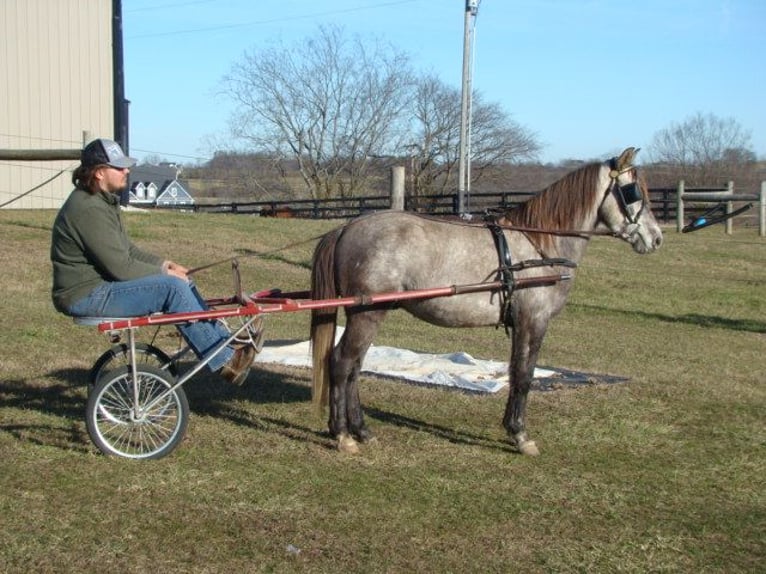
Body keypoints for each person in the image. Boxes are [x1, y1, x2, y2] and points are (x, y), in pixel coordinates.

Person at [50, 138, 254, 384]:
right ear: (99, 173)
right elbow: (121, 267)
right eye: (119, 167)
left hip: (95, 288)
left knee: (182, 282)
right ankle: (226, 362)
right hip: (86, 294)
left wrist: (166, 265)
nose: (126, 170)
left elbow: (128, 251)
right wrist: (167, 276)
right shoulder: (88, 209)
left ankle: (225, 345)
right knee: (173, 288)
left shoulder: (99, 202)